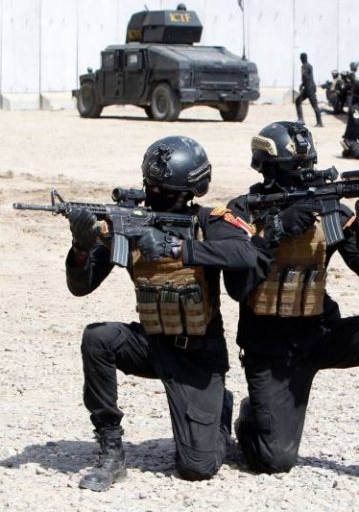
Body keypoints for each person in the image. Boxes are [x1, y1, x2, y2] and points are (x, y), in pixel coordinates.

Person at [223, 121, 359, 492]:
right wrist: (275, 230)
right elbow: (236, 288)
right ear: (266, 169)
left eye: (308, 169)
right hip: (270, 348)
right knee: (273, 461)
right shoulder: (243, 212)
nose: (303, 179)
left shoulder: (330, 210)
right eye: (292, 171)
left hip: (321, 334)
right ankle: (248, 415)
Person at [66, 136, 267, 491]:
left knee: (197, 467)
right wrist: (81, 249)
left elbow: (246, 254)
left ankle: (221, 412)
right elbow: (81, 287)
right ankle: (111, 449)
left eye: (165, 191)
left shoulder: (208, 221)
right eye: (152, 187)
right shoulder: (128, 224)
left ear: (190, 191)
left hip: (199, 356)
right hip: (151, 344)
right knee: (98, 337)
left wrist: (178, 248)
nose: (154, 194)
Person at [295, 52, 323, 127]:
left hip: (309, 89)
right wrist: (302, 85)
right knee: (298, 101)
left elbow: (306, 77)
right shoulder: (309, 66)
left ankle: (319, 123)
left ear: (301, 59)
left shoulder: (304, 67)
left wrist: (302, 85)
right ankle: (301, 119)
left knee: (314, 105)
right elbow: (309, 77)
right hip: (310, 88)